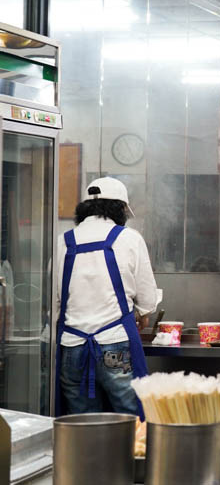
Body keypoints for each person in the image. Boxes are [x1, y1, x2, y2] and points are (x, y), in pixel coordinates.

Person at [54, 178, 156, 416]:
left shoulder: (62, 241)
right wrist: (142, 313)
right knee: (130, 419)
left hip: (72, 346)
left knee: (82, 423)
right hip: (115, 345)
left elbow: (55, 301)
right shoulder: (129, 238)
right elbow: (148, 298)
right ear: (120, 208)